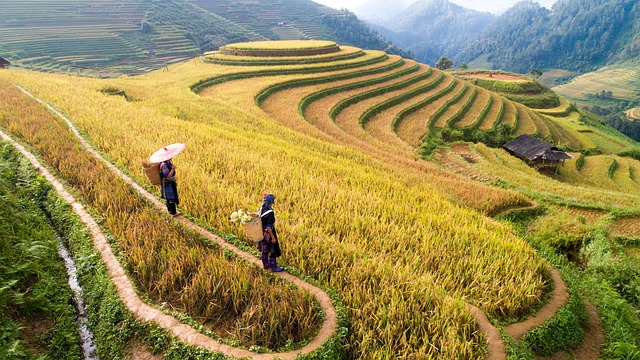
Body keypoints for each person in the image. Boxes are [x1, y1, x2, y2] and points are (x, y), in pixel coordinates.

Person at [258, 193, 283, 272]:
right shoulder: (270, 212)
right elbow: (269, 226)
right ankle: (274, 267)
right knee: (273, 250)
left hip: (261, 232)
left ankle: (265, 264)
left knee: (264, 249)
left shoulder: (261, 209)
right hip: (268, 233)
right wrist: (272, 237)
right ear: (271, 202)